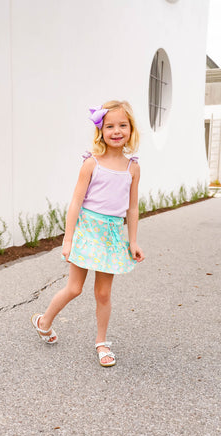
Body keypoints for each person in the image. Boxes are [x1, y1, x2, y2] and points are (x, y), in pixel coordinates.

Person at [31, 100, 145, 367]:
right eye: (110, 126)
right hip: (87, 231)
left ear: (131, 129)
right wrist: (68, 239)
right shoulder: (91, 163)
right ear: (101, 131)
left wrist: (133, 241)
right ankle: (43, 321)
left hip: (112, 235)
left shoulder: (133, 168)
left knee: (103, 294)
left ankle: (102, 343)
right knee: (74, 288)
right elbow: (76, 202)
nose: (116, 131)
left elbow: (132, 207)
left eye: (122, 125)